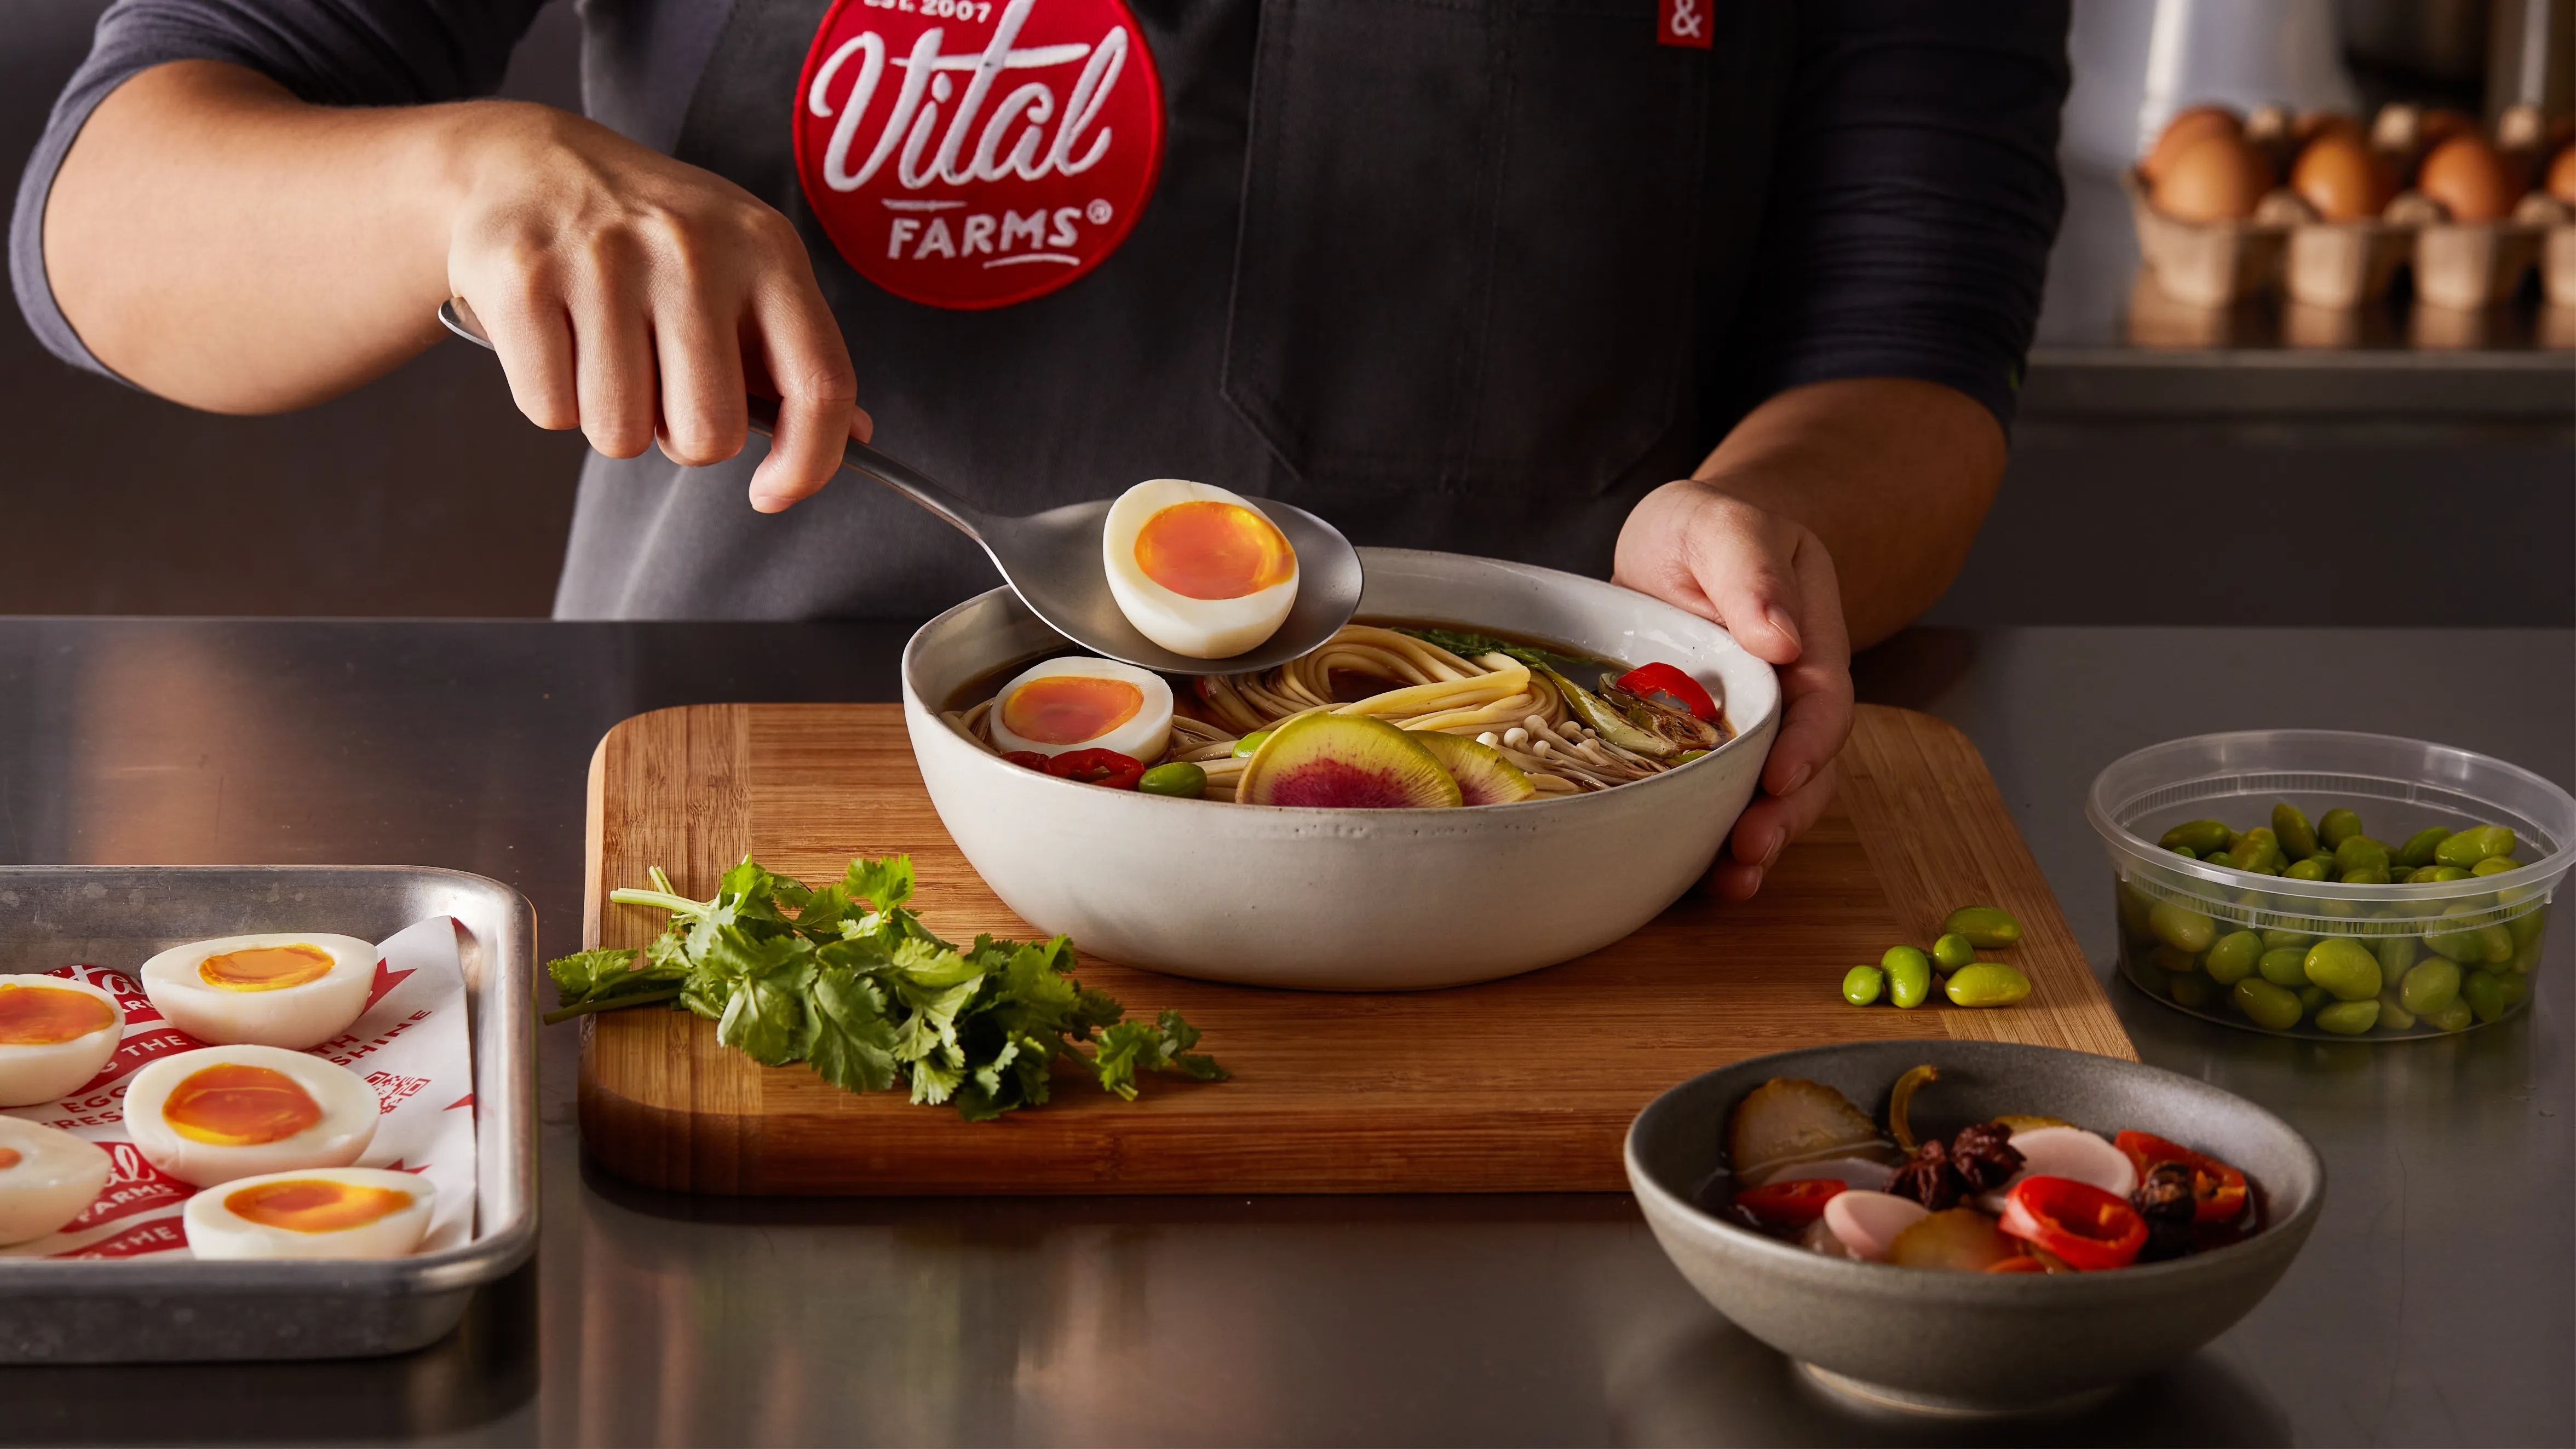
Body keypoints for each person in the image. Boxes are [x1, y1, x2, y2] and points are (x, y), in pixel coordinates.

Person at [11, 0, 2068, 901]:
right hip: (765, 869)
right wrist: (466, 176)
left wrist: (1773, 517)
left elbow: (1914, 347)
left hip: (1545, 856)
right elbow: (111, 209)